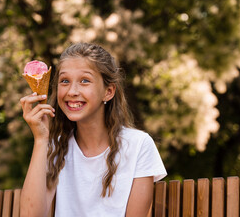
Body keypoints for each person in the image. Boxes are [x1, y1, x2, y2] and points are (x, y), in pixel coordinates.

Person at [20, 42, 167, 217]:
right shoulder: (56, 147)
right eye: (65, 81)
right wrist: (41, 139)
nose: (72, 91)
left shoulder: (138, 145)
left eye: (84, 81)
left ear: (109, 91)